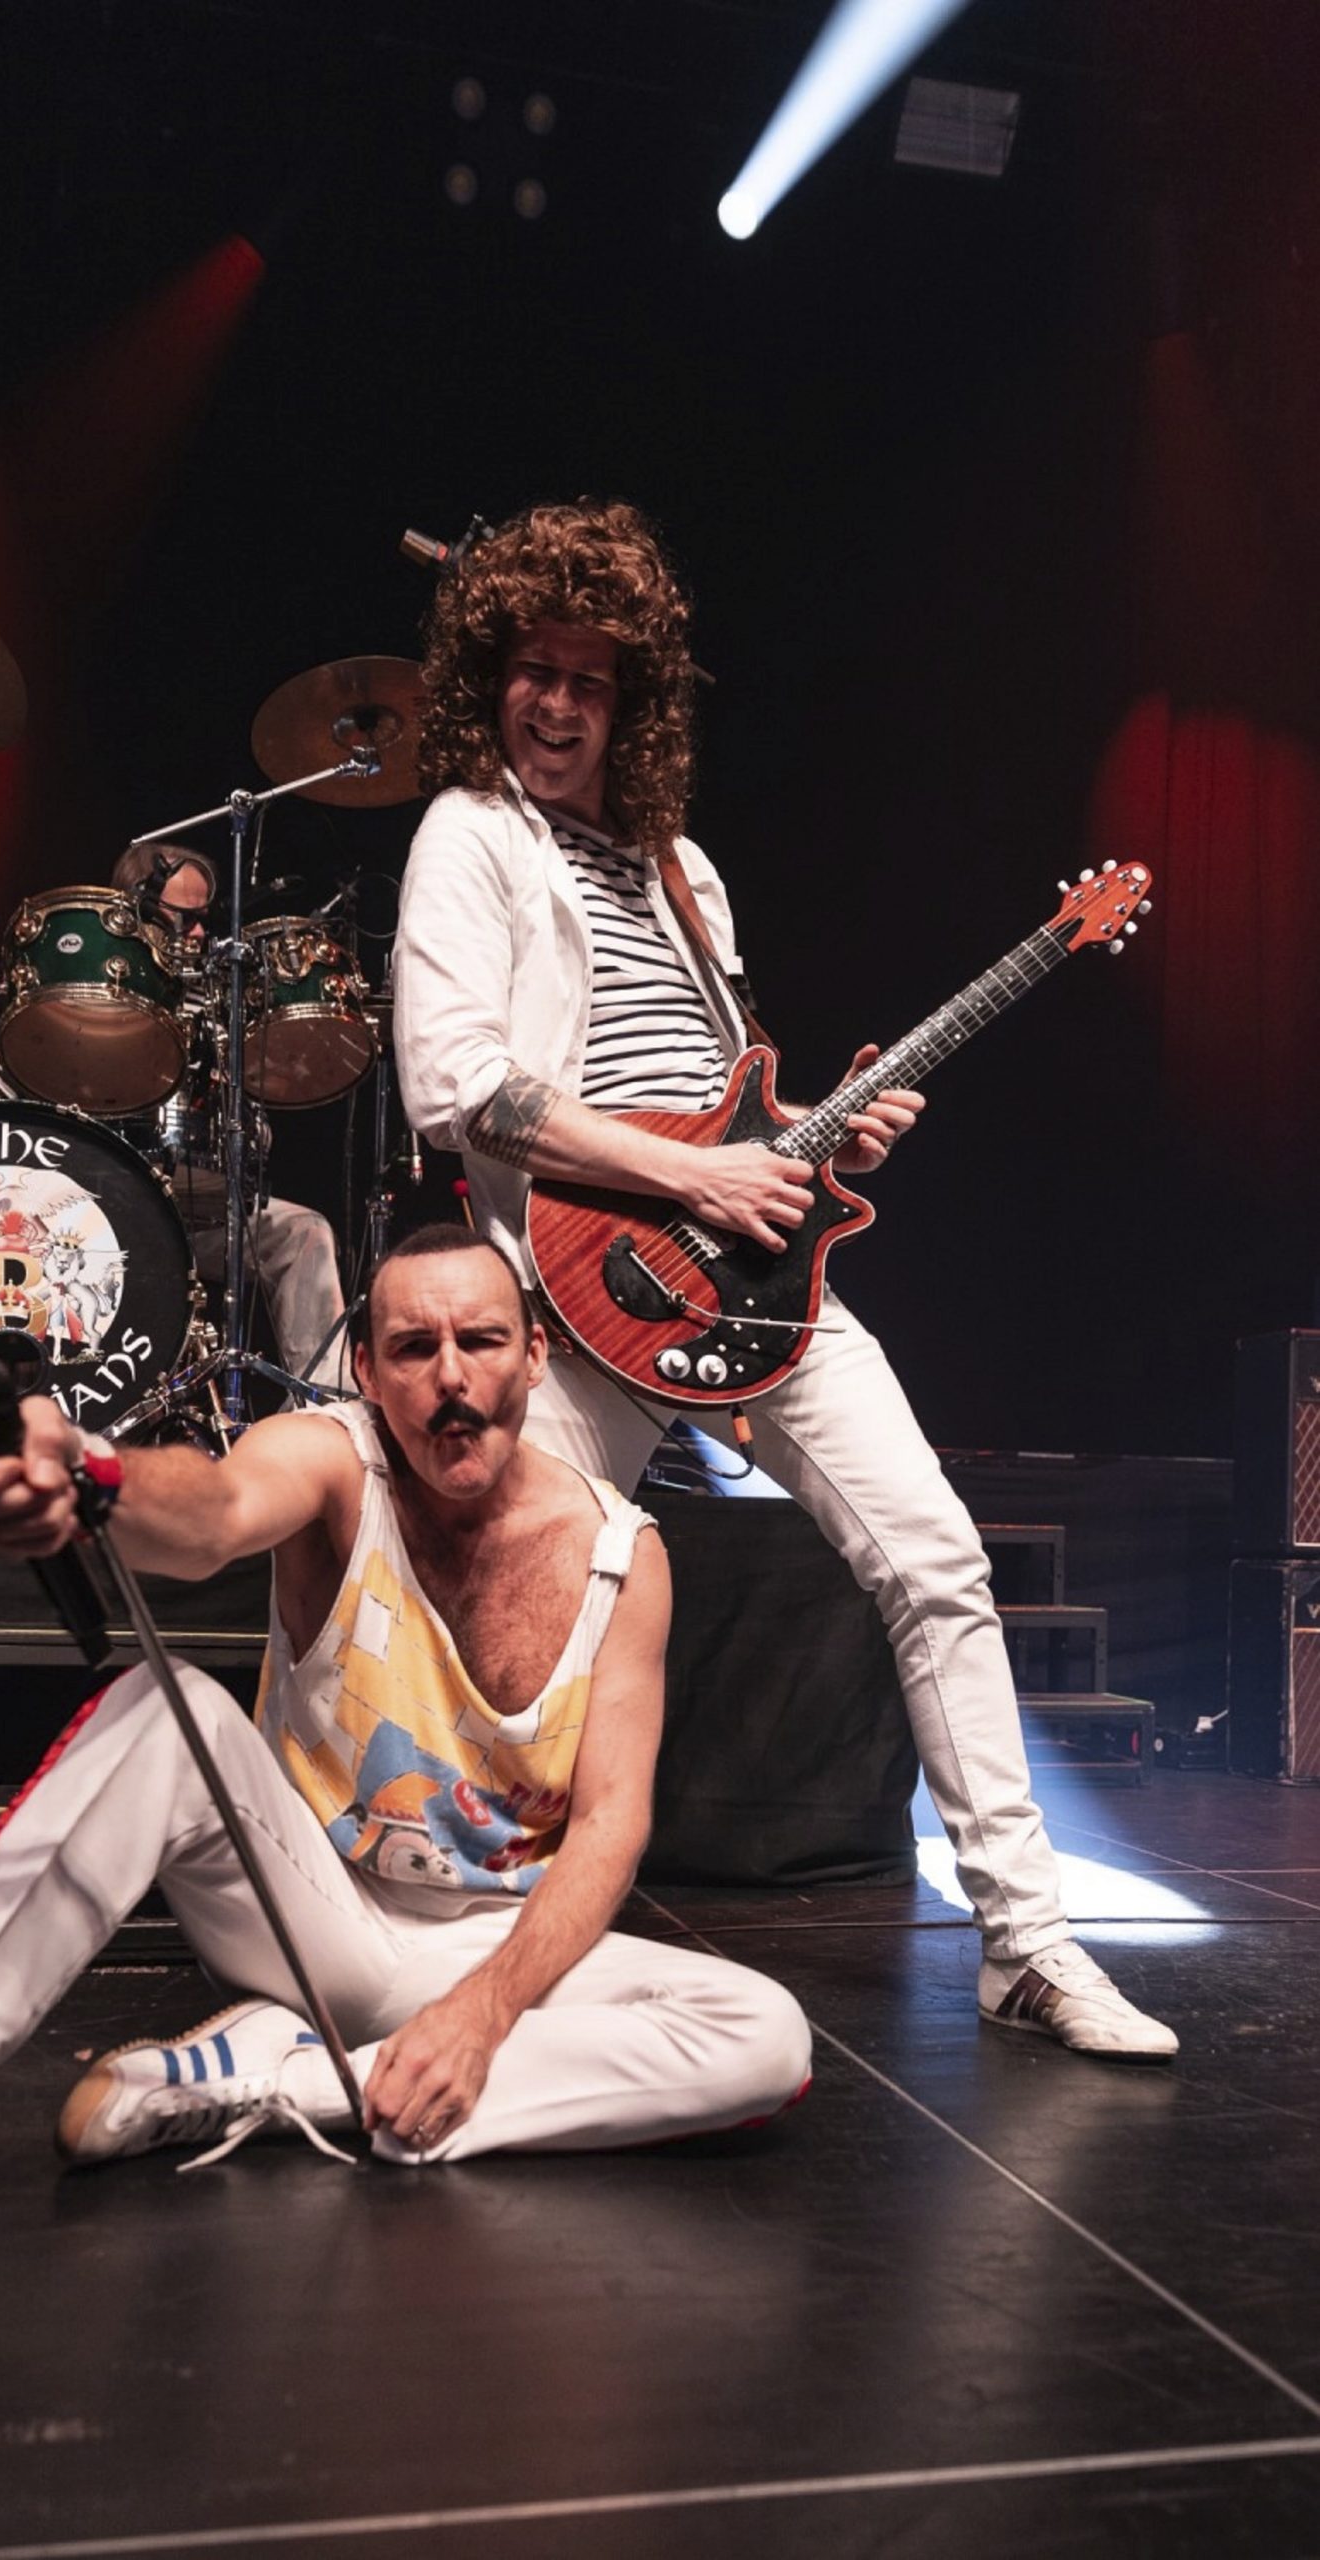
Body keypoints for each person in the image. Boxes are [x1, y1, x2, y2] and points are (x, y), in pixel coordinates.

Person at [0, 1226, 811, 2392]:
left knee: (765, 2038)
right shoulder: (336, 1462)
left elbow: (609, 1825)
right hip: (310, 1914)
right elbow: (214, 1509)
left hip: (498, 1945)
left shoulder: (619, 1556)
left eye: (483, 1340)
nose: (451, 1375)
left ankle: (279, 2079)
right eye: (414, 1347)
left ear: (535, 1355)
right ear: (369, 1371)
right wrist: (87, 1473)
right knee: (162, 1706)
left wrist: (483, 2015)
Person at [393, 498, 1177, 2063]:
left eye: (589, 681)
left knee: (936, 1560)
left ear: (632, 703)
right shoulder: (469, 836)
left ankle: (1025, 1945)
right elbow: (453, 1085)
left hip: (748, 1275)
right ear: (488, 676)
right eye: (532, 671)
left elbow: (718, 1096)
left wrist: (820, 1135)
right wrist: (691, 1177)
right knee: (520, 1609)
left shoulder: (682, 871)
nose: (555, 705)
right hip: (578, 1282)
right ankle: (460, 1943)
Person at [0, 840, 347, 1388]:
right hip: (79, 1210)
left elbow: (256, 1140)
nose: (200, 934)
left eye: (204, 919)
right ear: (136, 913)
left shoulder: (212, 1006)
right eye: (184, 918)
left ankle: (323, 1404)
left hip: (184, 1204)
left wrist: (238, 1102)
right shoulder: (84, 994)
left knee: (304, 1233)